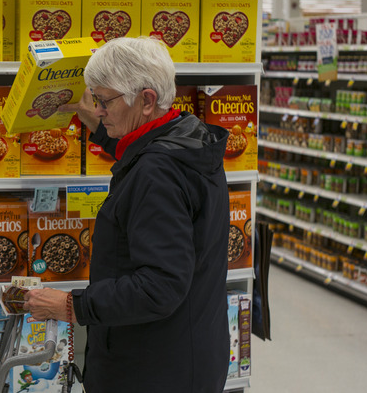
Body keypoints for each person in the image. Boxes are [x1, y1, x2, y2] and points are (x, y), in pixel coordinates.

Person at [23, 37, 231, 392]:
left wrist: (72, 306)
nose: (99, 109)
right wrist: (101, 130)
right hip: (184, 352)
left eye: (104, 101)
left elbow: (160, 287)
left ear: (147, 100)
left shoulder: (159, 173)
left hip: (153, 370)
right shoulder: (186, 138)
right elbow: (141, 147)